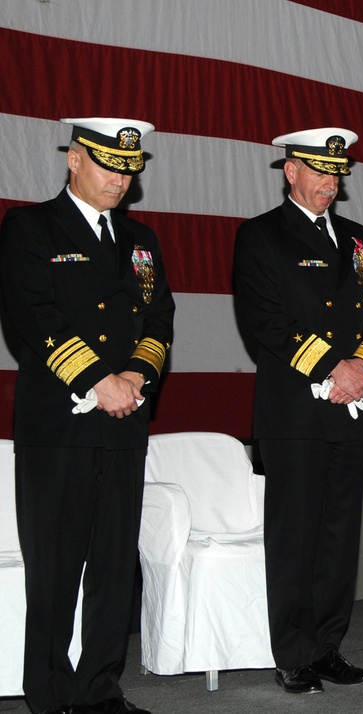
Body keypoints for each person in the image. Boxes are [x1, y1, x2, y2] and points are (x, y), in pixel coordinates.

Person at [0, 118, 174, 714]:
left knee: (110, 566)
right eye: (107, 165)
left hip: (125, 425)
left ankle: (101, 690)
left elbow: (158, 323)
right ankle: (48, 696)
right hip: (60, 428)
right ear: (74, 158)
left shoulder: (142, 240)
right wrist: (97, 378)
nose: (120, 179)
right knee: (53, 569)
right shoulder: (29, 226)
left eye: (129, 169)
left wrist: (135, 379)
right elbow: (33, 314)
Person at [233, 127, 363, 695]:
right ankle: (293, 652)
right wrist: (333, 368)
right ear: (290, 172)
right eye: (318, 171)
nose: (329, 182)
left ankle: (328, 648)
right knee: (295, 537)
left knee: (338, 538)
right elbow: (266, 322)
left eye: (337, 173)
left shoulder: (358, 240)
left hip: (349, 412)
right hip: (294, 415)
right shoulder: (260, 237)